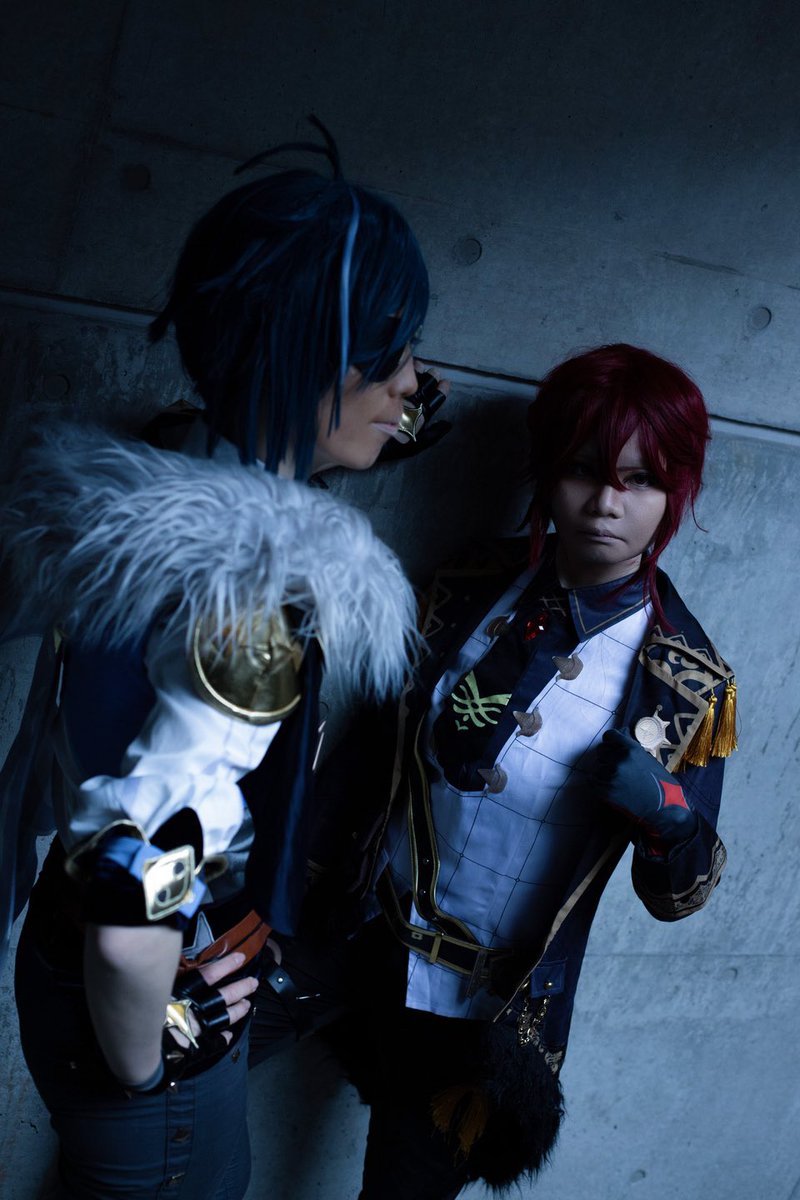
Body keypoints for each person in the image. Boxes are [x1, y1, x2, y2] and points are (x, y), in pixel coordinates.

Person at [1, 119, 446, 1199]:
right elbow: (131, 897)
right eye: (388, 355)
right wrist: (158, 1048)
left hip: (57, 965)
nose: (411, 385)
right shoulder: (254, 592)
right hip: (136, 1007)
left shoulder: (156, 491)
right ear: (310, 361)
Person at [249, 341, 738, 1199]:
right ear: (547, 469)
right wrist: (280, 903)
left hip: (480, 1013)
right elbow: (366, 753)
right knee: (171, 1081)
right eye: (584, 470)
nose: (607, 503)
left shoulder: (686, 680)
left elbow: (682, 895)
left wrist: (667, 816)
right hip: (349, 931)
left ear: (675, 494)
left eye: (640, 481)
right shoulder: (468, 581)